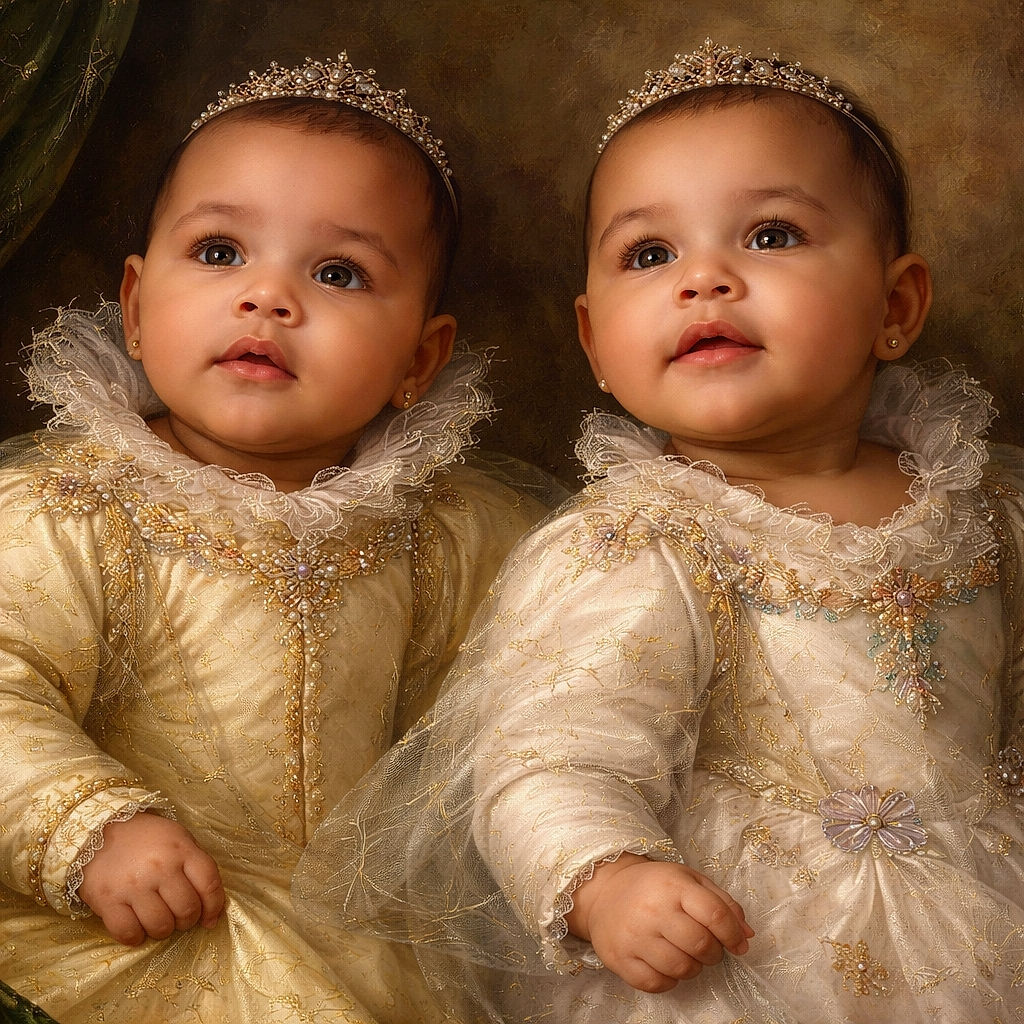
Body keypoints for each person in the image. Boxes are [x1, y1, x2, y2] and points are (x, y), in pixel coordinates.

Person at [294, 40, 1024, 1023]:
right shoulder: (636, 545)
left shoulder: (985, 509)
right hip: (750, 950)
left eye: (770, 235)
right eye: (650, 254)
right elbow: (546, 753)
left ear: (895, 306)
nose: (704, 280)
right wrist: (607, 879)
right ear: (595, 342)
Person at [0, 52, 553, 1024]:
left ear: (420, 358)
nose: (267, 297)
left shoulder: (451, 533)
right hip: (126, 932)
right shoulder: (68, 509)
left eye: (338, 273)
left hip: (368, 942)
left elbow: (519, 715)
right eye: (220, 252)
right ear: (136, 307)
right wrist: (92, 829)